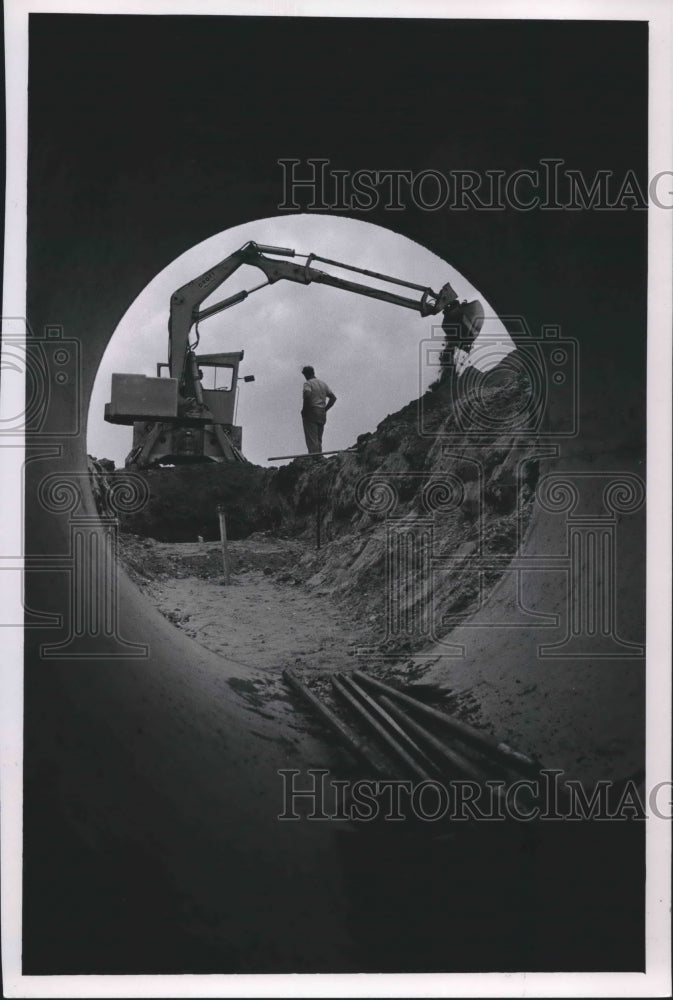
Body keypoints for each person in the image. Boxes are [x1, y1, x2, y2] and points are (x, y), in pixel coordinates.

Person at [300, 365, 337, 454]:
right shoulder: (322, 384)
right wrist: (325, 409)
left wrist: (304, 410)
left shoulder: (308, 383)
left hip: (311, 411)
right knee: (318, 438)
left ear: (306, 374)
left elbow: (307, 395)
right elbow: (333, 398)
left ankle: (314, 458)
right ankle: (319, 457)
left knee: (312, 438)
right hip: (321, 413)